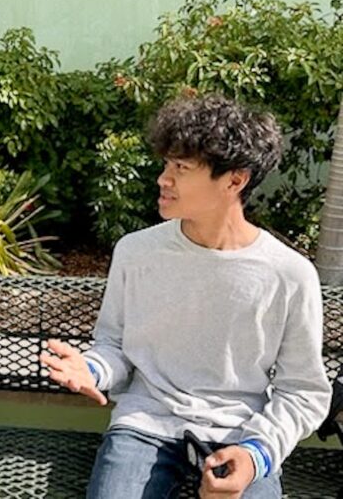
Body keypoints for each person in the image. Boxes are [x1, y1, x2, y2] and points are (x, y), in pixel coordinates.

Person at [41, 94, 332, 499]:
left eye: (181, 168)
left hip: (242, 433)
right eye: (166, 164)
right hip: (144, 426)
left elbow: (303, 391)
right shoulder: (135, 251)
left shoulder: (289, 274)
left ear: (234, 180)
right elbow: (115, 347)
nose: (164, 178)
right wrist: (92, 370)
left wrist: (255, 456)